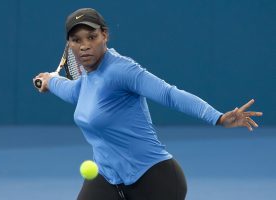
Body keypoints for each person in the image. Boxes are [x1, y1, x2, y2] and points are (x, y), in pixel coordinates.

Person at [33, 8, 263, 200]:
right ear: (70, 44)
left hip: (155, 180)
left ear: (105, 35)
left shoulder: (122, 70)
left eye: (91, 37)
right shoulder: (85, 83)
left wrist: (218, 117)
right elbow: (73, 90)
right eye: (77, 40)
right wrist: (50, 80)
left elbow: (169, 94)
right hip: (107, 179)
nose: (84, 46)